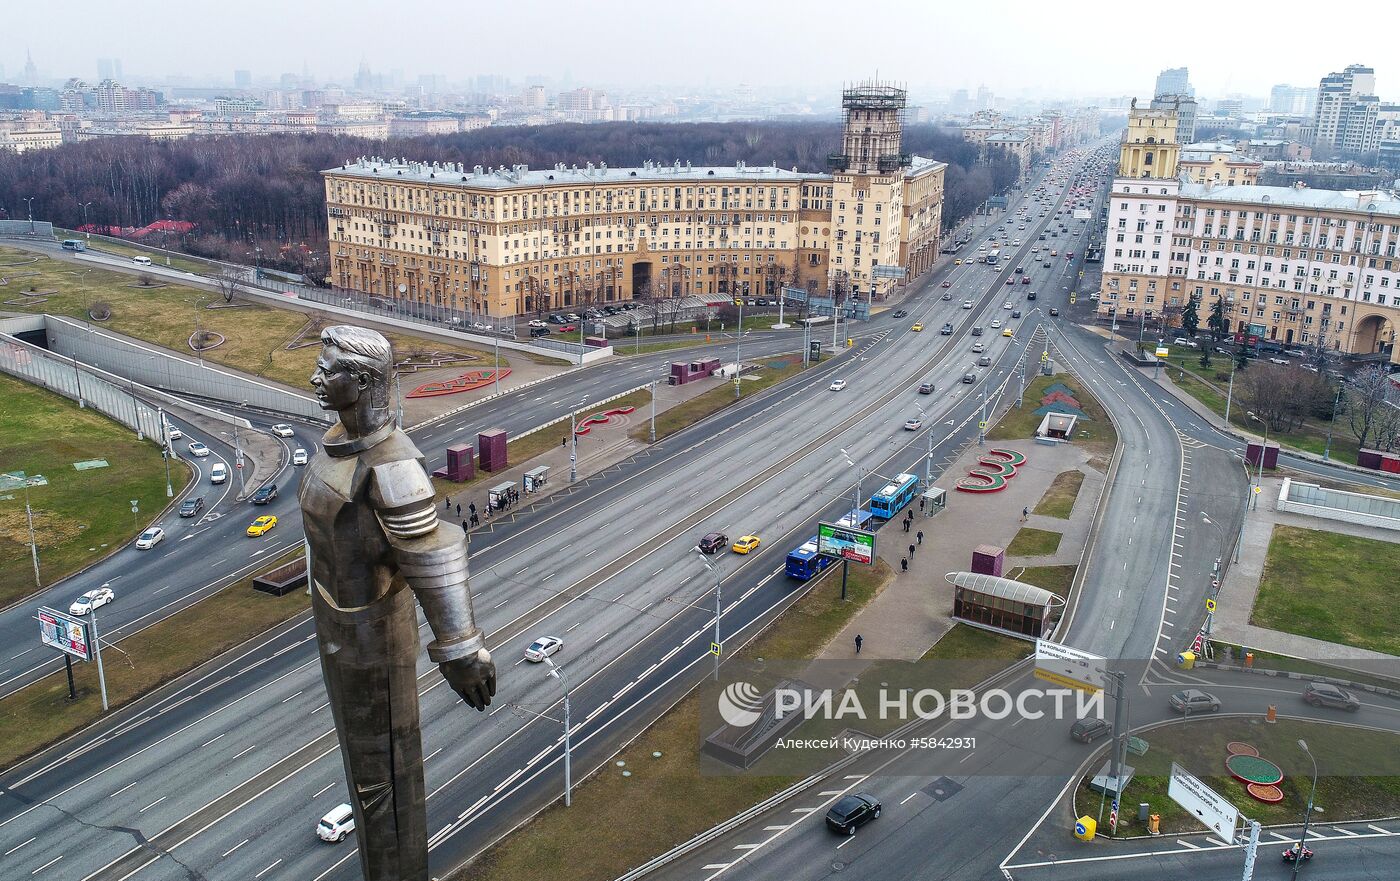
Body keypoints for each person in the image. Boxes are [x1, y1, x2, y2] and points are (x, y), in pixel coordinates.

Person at [299, 325, 494, 881]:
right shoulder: (341, 442)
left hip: (374, 642)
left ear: (360, 382)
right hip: (335, 624)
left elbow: (430, 549)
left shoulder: (392, 466)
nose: (315, 377)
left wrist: (462, 648)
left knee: (381, 787)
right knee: (364, 779)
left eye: (327, 368)